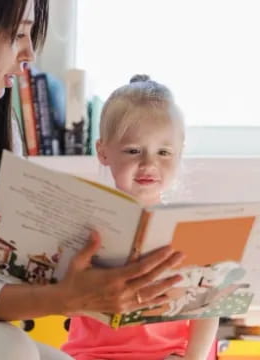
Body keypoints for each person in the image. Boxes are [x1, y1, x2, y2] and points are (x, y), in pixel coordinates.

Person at [0, 2, 184, 359]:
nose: (29, 54)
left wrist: (80, 283)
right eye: (18, 34)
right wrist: (60, 297)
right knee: (10, 349)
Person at [62, 75, 218, 360]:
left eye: (164, 152)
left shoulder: (189, 228)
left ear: (179, 153)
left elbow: (209, 310)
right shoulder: (85, 228)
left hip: (171, 355)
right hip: (93, 355)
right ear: (103, 152)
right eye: (133, 151)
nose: (149, 164)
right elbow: (63, 302)